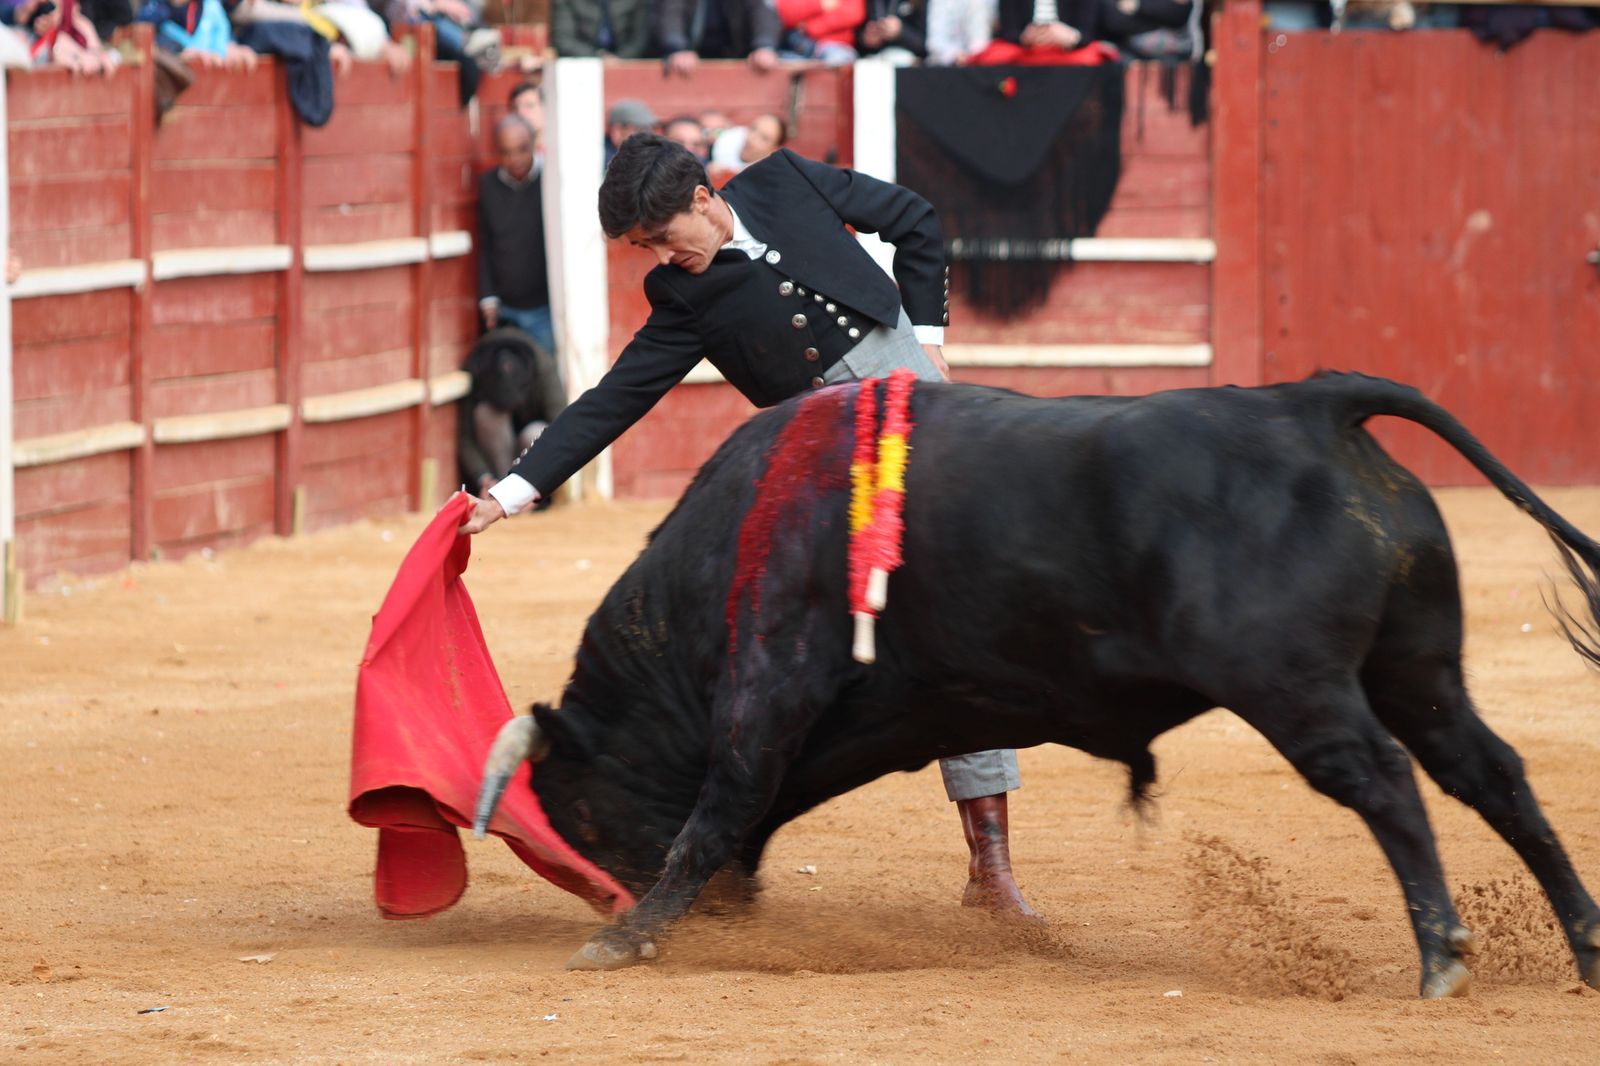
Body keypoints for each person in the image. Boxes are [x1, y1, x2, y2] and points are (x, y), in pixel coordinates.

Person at [458, 133, 1039, 920]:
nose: (661, 258)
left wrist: (927, 342)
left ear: (703, 199)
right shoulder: (683, 297)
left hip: (924, 427)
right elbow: (613, 399)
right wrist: (514, 490)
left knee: (954, 626)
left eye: (662, 238)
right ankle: (703, 847)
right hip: (822, 473)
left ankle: (991, 867)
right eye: (642, 249)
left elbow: (914, 220)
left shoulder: (789, 181)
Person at [477, 113, 555, 358]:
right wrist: (488, 299)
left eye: (521, 149)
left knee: (546, 383)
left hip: (546, 308)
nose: (514, 159)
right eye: (506, 152)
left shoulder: (552, 180)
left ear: (533, 143)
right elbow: (485, 244)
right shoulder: (488, 185)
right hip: (505, 309)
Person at [604, 98, 657, 169]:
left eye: (651, 127)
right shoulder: (600, 157)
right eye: (641, 128)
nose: (648, 133)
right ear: (617, 131)